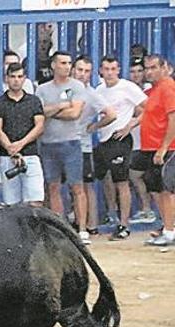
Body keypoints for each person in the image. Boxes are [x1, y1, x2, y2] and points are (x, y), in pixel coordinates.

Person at [36, 51, 90, 244]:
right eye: (63, 63)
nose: (67, 67)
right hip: (49, 143)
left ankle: (82, 230)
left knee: (77, 186)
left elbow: (75, 113)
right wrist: (62, 105)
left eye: (69, 63)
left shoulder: (77, 86)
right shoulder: (42, 89)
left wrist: (53, 109)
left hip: (71, 142)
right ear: (53, 66)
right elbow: (40, 112)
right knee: (53, 186)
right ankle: (61, 228)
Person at [92, 57, 146, 240]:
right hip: (104, 140)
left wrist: (131, 124)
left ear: (118, 69)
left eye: (113, 68)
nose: (109, 72)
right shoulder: (99, 90)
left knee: (121, 181)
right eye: (106, 68)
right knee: (106, 178)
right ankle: (112, 214)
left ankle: (124, 223)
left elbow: (147, 108)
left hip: (120, 138)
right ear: (101, 70)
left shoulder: (128, 87)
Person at [72, 56, 116, 237]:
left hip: (82, 145)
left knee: (86, 186)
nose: (83, 74)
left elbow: (111, 114)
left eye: (87, 71)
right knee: (58, 185)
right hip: (61, 142)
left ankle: (91, 225)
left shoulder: (91, 93)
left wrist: (94, 127)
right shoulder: (66, 89)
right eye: (80, 70)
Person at [136, 55, 175, 246]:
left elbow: (173, 118)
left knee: (166, 189)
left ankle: (169, 231)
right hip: (151, 147)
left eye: (153, 67)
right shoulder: (154, 90)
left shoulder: (167, 87)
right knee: (156, 188)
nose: (149, 71)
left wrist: (164, 147)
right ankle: (168, 226)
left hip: (165, 149)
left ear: (163, 67)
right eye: (147, 68)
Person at [0, 63, 46, 206]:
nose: (16, 80)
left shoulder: (33, 101)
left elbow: (39, 126)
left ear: (24, 79)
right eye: (12, 77)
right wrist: (10, 148)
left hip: (30, 154)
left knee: (35, 200)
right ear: (6, 79)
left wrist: (21, 144)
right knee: (11, 204)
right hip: (7, 157)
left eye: (19, 77)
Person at [127, 58, 157, 225]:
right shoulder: (128, 89)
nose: (136, 75)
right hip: (135, 141)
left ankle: (148, 210)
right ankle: (147, 209)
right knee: (137, 176)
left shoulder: (148, 90)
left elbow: (146, 110)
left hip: (148, 141)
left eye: (140, 71)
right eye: (133, 71)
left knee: (149, 178)